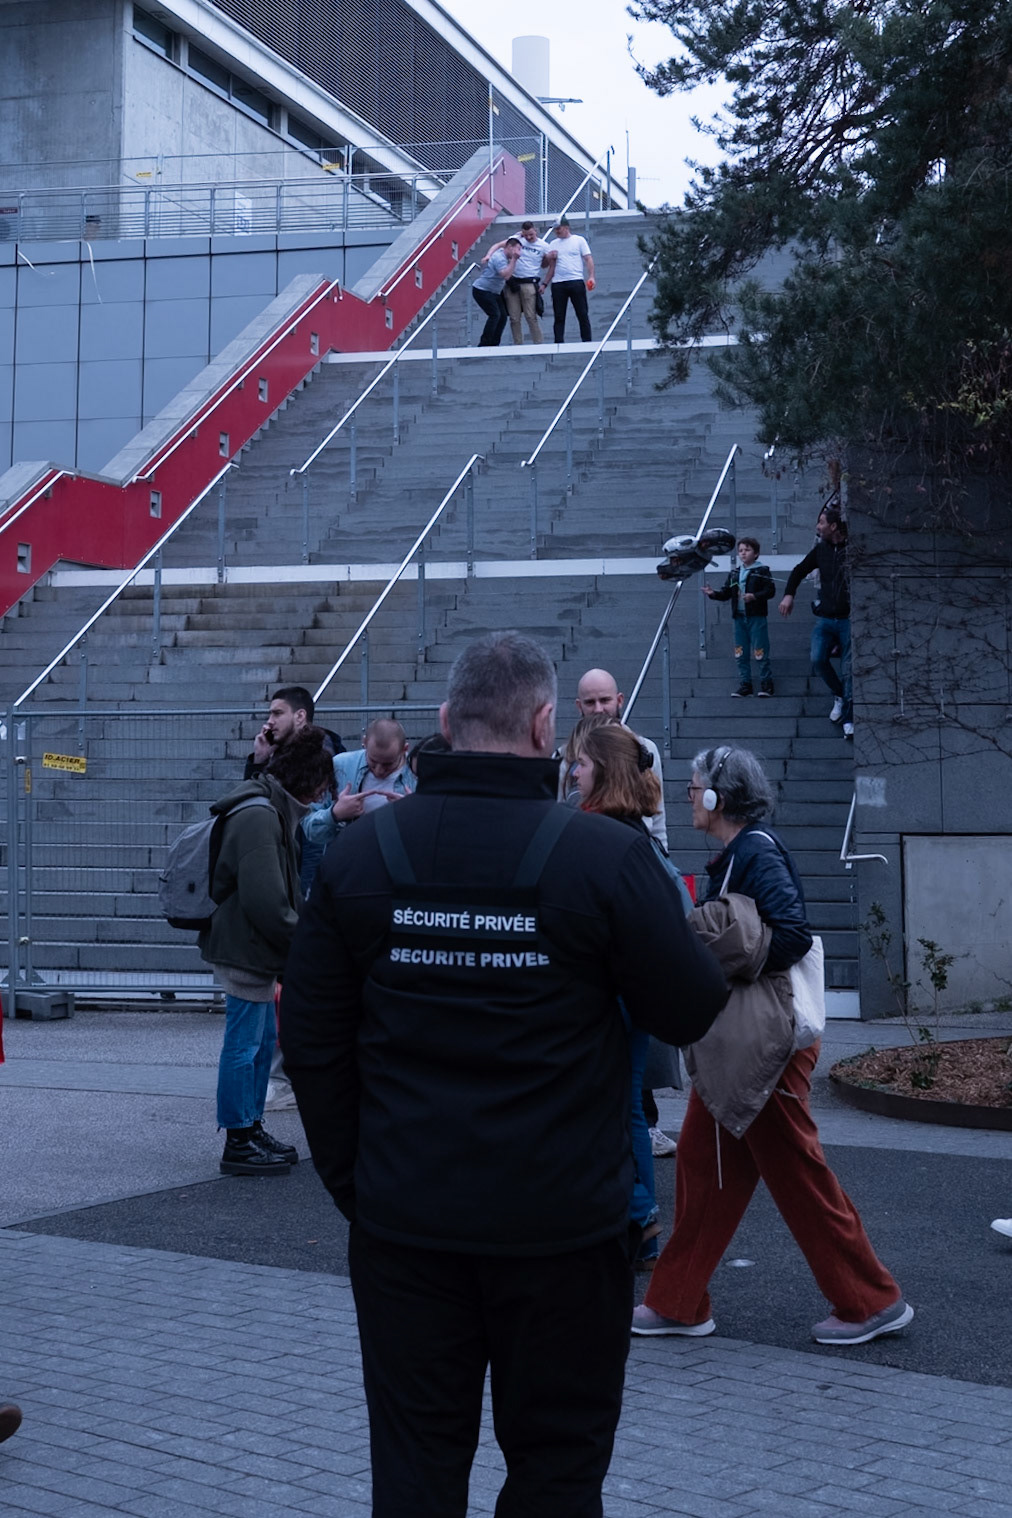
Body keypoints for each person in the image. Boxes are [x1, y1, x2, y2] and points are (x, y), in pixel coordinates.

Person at [280, 631, 728, 1518]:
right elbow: (691, 1009)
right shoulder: (606, 859)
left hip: (407, 1221)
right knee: (559, 1469)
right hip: (563, 1228)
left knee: (415, 1468)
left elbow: (313, 1045)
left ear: (445, 723)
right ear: (545, 724)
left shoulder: (362, 859)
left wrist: (358, 1185)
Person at [632, 745, 914, 1346]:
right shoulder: (741, 854)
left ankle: (871, 1301)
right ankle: (677, 1301)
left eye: (695, 785)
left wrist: (723, 952)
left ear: (719, 796)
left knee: (795, 1174)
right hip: (750, 1048)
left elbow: (789, 935)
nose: (688, 794)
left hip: (766, 1047)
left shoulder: (754, 851)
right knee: (704, 1168)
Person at [570, 718, 693, 1269]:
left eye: (580, 763)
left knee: (619, 1109)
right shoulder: (637, 833)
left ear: (604, 772)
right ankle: (637, 1220)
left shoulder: (602, 835)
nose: (571, 771)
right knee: (628, 1110)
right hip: (625, 997)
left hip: (607, 999)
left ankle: (637, 1218)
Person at [201, 727, 334, 1176]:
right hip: (247, 946)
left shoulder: (268, 808)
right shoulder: (261, 816)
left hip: (251, 944)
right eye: (319, 787)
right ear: (305, 781)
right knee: (245, 1045)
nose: (321, 796)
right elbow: (267, 902)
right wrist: (307, 943)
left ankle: (248, 1128)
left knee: (257, 1044)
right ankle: (240, 1135)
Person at [568, 667, 667, 848]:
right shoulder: (565, 756)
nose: (598, 709)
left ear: (619, 700)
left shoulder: (644, 749)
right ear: (579, 706)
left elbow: (657, 819)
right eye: (590, 702)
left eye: (605, 700)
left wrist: (662, 855)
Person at [779, 505, 853, 737]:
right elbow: (799, 570)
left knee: (850, 669)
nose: (817, 527)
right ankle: (839, 694)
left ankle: (849, 719)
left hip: (849, 618)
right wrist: (789, 594)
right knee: (818, 658)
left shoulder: (852, 549)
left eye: (821, 522)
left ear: (833, 526)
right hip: (826, 618)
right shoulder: (821, 550)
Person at [302, 717, 414, 850]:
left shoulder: (418, 773)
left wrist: (412, 813)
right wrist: (334, 814)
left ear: (405, 749)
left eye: (388, 764)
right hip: (348, 861)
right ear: (364, 742)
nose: (379, 770)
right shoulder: (340, 766)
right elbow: (310, 829)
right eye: (372, 761)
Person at [703, 536, 776, 696]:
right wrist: (713, 593)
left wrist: (754, 596)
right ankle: (745, 684)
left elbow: (770, 591)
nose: (743, 554)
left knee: (760, 649)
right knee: (740, 651)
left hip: (756, 616)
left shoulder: (761, 570)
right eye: (740, 551)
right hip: (739, 617)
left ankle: (766, 683)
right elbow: (727, 592)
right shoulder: (735, 573)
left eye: (747, 550)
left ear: (756, 554)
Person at [484, 221, 556, 345]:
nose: (528, 237)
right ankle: (518, 344)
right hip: (513, 282)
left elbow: (549, 266)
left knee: (530, 316)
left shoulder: (544, 246)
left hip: (529, 282)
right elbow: (499, 245)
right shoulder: (517, 239)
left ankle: (538, 343)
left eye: (531, 235)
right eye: (525, 235)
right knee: (514, 317)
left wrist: (544, 283)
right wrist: (488, 255)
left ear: (536, 232)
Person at [544, 217, 595, 343]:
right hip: (558, 283)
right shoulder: (553, 244)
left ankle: (587, 340)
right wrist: (549, 257)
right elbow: (547, 265)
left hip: (575, 280)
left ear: (566, 227)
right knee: (559, 315)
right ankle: (559, 341)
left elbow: (588, 258)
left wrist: (591, 276)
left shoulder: (578, 240)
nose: (557, 231)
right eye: (555, 229)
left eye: (559, 229)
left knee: (582, 313)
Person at [471, 236, 521, 347]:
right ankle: (484, 343)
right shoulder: (499, 258)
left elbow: (497, 244)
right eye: (517, 249)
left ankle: (494, 343)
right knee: (495, 315)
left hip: (494, 292)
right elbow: (506, 275)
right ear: (509, 247)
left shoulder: (503, 254)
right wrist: (514, 260)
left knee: (503, 316)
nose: (519, 252)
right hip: (482, 290)